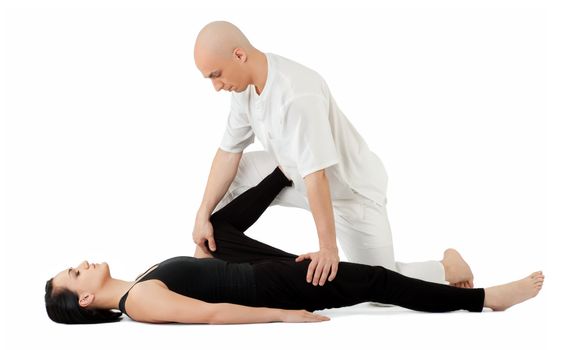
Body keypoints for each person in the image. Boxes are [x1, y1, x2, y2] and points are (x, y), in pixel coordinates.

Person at [45, 167, 544, 325]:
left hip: (252, 268)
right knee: (373, 279)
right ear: (85, 298)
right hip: (270, 285)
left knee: (212, 227)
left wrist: (204, 252)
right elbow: (213, 314)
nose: (81, 265)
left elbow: (200, 279)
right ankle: (483, 299)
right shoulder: (141, 302)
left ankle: (285, 166)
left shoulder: (141, 281)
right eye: (74, 273)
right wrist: (285, 315)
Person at [192, 21, 473, 287]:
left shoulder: (296, 94)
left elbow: (318, 176)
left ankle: (448, 267)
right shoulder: (243, 89)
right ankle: (206, 258)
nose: (216, 87)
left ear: (239, 55)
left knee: (381, 284)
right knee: (238, 170)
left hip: (349, 194)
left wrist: (328, 249)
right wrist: (202, 215)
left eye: (216, 75)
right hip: (291, 173)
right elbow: (228, 153)